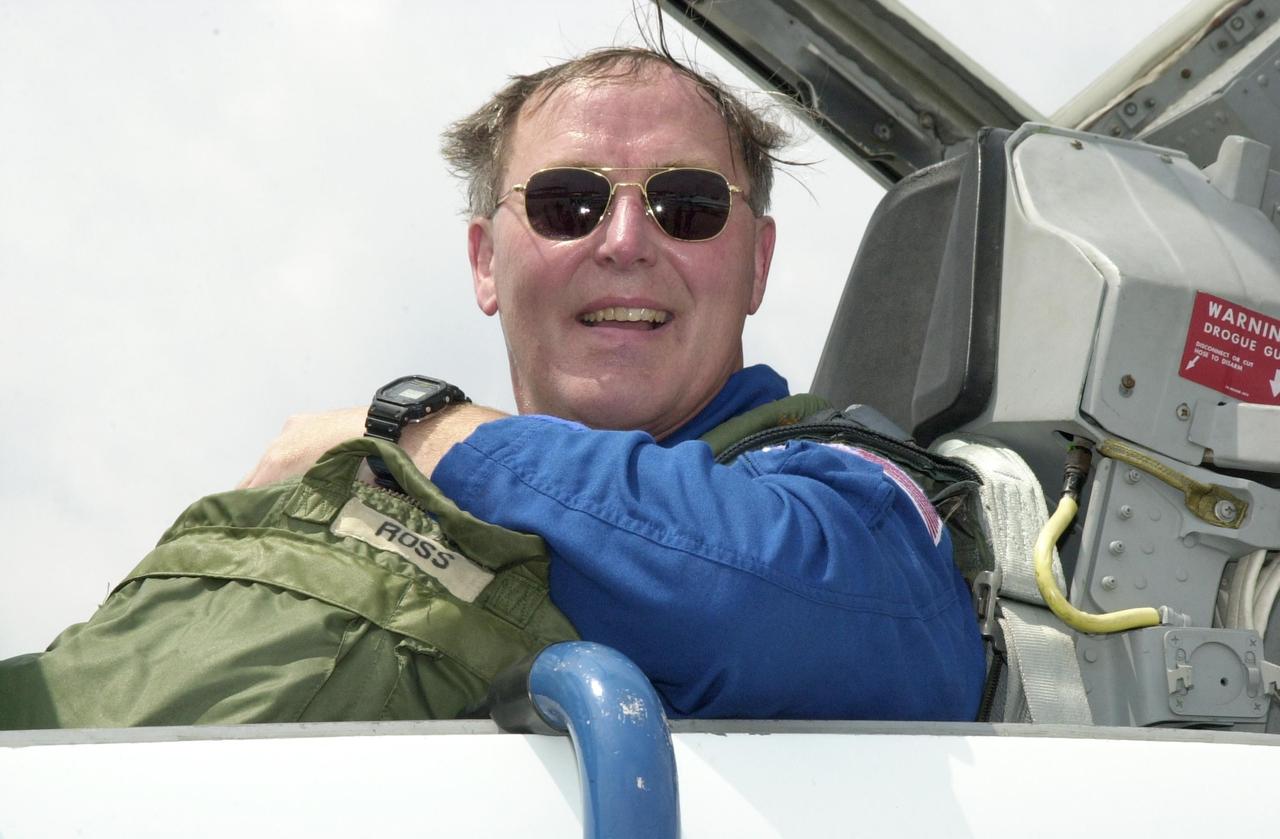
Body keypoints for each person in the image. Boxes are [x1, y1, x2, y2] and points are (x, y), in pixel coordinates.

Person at [242, 47, 985, 720]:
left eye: (687, 206)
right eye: (566, 204)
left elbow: (780, 605)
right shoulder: (370, 527)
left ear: (757, 263)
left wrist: (425, 430)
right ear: (485, 260)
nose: (626, 242)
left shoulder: (857, 506)